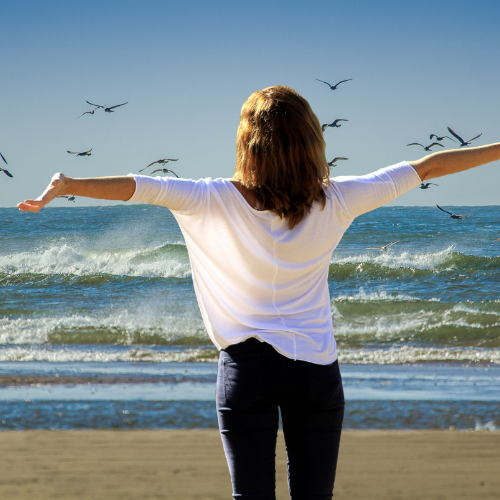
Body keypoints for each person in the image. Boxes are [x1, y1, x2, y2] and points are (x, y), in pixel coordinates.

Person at [18, 85, 500, 499]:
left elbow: (140, 186)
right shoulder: (339, 197)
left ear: (247, 144)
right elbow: (427, 167)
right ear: (313, 141)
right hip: (316, 371)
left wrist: (67, 185)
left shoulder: (210, 197)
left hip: (245, 372)